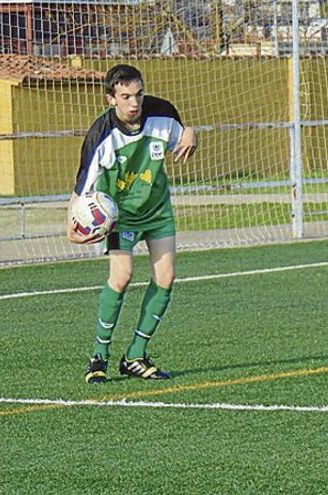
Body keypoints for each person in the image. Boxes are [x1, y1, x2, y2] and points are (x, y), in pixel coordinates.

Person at [68, 64, 197, 384]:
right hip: (119, 217)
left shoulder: (163, 113)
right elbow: (81, 188)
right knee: (122, 276)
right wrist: (71, 223)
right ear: (111, 98)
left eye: (138, 94)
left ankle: (136, 356)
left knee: (166, 277)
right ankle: (100, 356)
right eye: (125, 96)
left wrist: (193, 133)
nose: (134, 103)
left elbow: (184, 138)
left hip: (157, 211)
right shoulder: (101, 135)